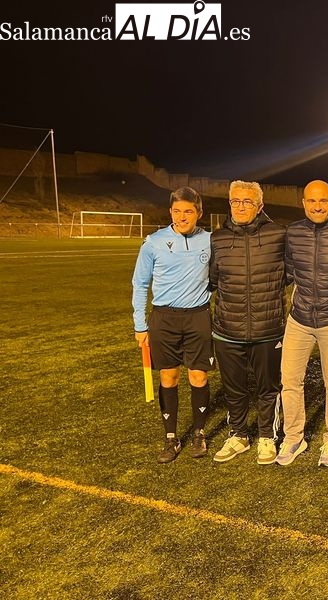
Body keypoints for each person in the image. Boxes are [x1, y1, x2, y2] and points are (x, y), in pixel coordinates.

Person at [279, 180, 328, 468]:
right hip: (299, 319)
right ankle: (293, 437)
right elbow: (288, 270)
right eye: (312, 201)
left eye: (323, 201)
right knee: (289, 381)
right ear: (303, 202)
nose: (317, 206)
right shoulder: (293, 232)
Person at [132, 186, 214, 463]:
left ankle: (199, 433)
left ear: (198, 213)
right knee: (169, 376)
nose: (182, 217)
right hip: (163, 319)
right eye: (177, 211)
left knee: (199, 377)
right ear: (170, 212)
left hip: (198, 316)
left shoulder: (210, 241)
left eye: (188, 211)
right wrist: (140, 325)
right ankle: (171, 438)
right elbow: (140, 283)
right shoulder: (153, 242)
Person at [210, 181, 286, 465]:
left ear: (260, 206)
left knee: (269, 387)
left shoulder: (279, 235)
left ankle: (267, 436)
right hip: (228, 329)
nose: (241, 206)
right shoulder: (217, 239)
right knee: (234, 387)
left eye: (248, 202)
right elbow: (213, 280)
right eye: (235, 201)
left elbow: (288, 275)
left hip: (267, 329)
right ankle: (238, 434)